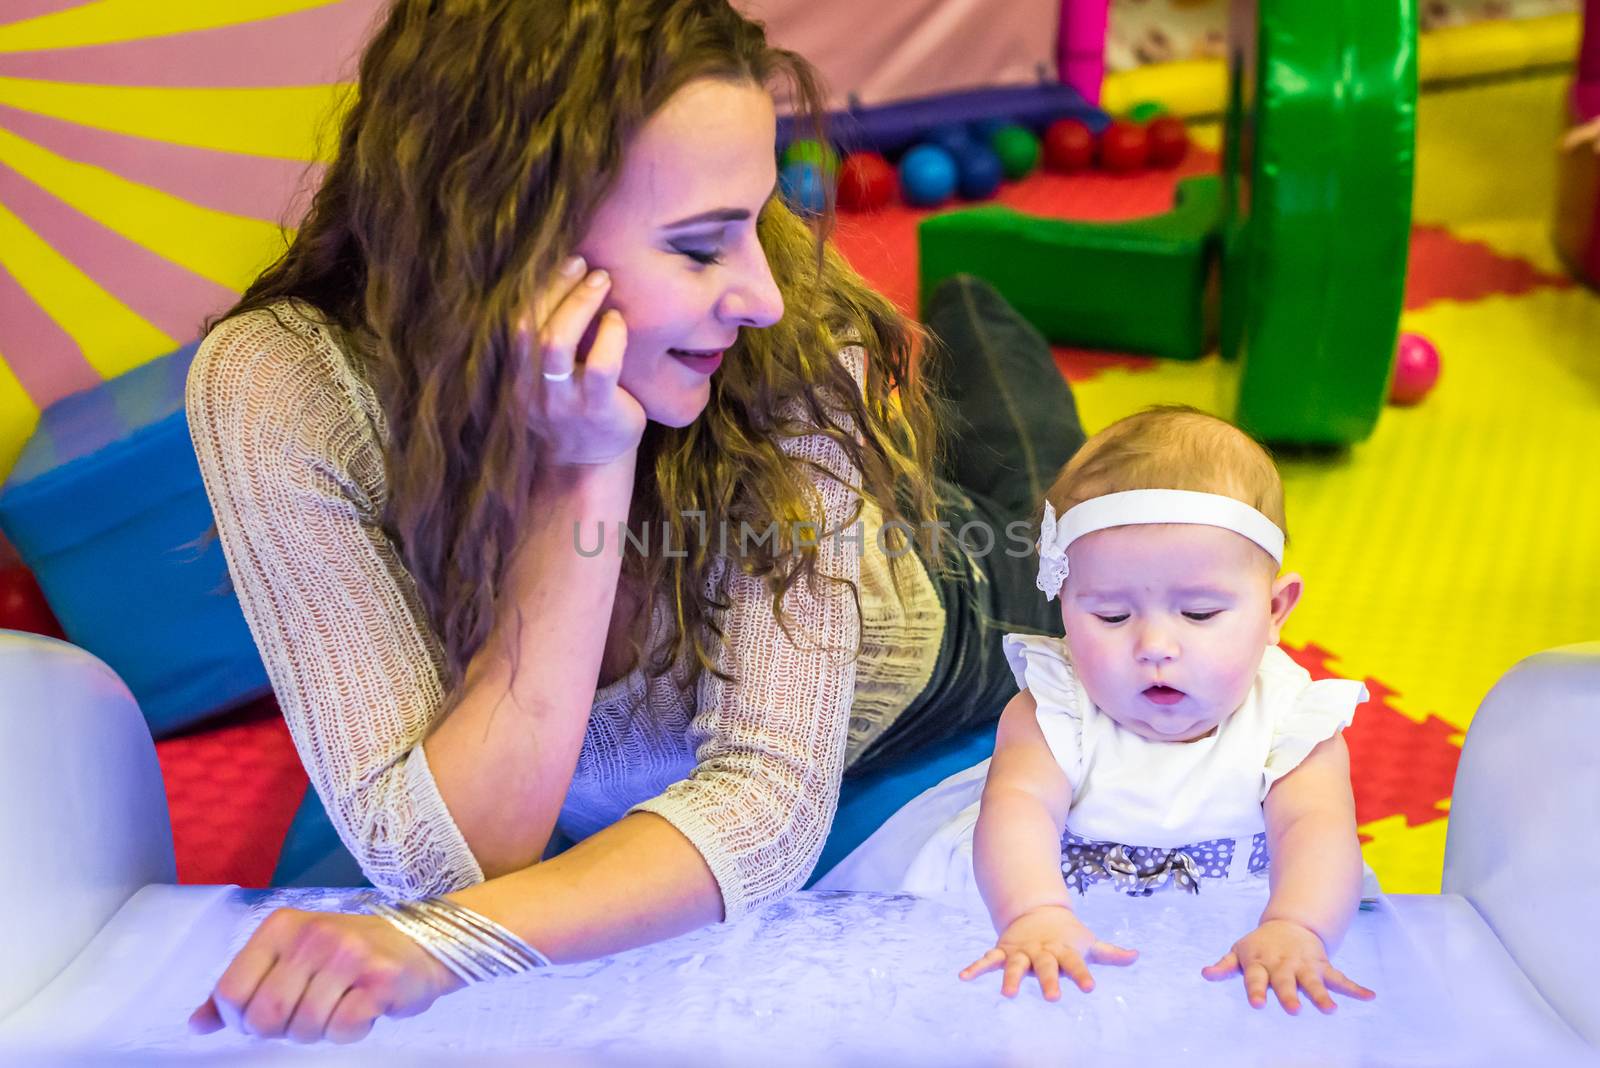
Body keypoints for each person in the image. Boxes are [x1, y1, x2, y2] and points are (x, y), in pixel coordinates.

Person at [184, 0, 1084, 1044]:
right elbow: (443, 859)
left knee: (1062, 530)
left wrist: (441, 945)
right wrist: (587, 470)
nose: (762, 295)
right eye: (700, 248)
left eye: (760, 218)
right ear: (503, 239)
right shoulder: (282, 385)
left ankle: (983, 318)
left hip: (931, 608)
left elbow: (765, 808)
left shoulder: (796, 340)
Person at [823, 407, 1377, 1016]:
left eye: (1199, 614)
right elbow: (1019, 810)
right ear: (1063, 609)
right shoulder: (1056, 709)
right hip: (1040, 904)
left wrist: (1298, 925)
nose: (1155, 647)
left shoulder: (1293, 719)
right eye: (1111, 616)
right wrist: (1034, 912)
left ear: (1275, 610)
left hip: (1241, 924)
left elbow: (1316, 831)